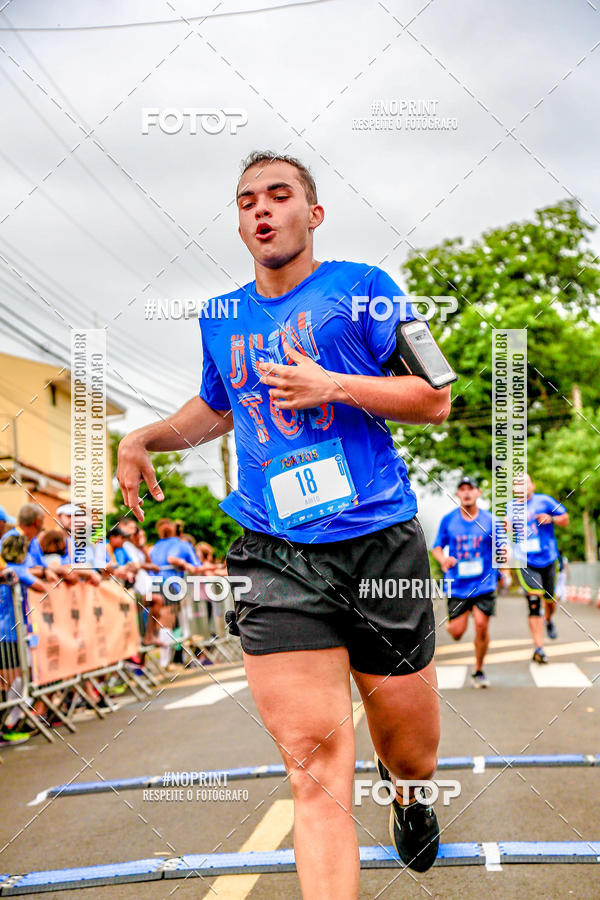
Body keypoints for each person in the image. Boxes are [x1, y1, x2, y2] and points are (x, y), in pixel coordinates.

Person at [117, 150, 452, 894]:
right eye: (246, 201)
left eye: (278, 194)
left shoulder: (366, 292)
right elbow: (215, 408)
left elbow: (435, 398)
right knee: (314, 766)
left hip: (377, 543)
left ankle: (409, 796)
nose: (261, 209)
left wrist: (331, 384)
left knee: (412, 753)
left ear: (313, 213)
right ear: (240, 222)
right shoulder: (222, 316)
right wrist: (143, 438)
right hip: (276, 552)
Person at [433, 477, 506, 688]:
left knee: (482, 625)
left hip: (485, 582)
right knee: (456, 632)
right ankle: (456, 622)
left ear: (478, 493)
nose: (466, 493)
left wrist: (502, 553)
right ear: (457, 494)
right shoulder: (448, 520)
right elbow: (437, 547)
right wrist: (443, 559)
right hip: (457, 584)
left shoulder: (490, 520)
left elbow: (502, 547)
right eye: (462, 489)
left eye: (470, 489)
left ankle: (478, 670)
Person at [507, 474, 569, 663]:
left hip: (548, 557)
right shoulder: (510, 507)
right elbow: (506, 529)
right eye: (517, 483)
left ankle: (549, 620)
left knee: (549, 601)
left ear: (532, 485)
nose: (522, 486)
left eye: (525, 482)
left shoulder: (544, 501)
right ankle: (539, 648)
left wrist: (552, 519)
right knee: (534, 600)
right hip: (526, 560)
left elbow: (565, 519)